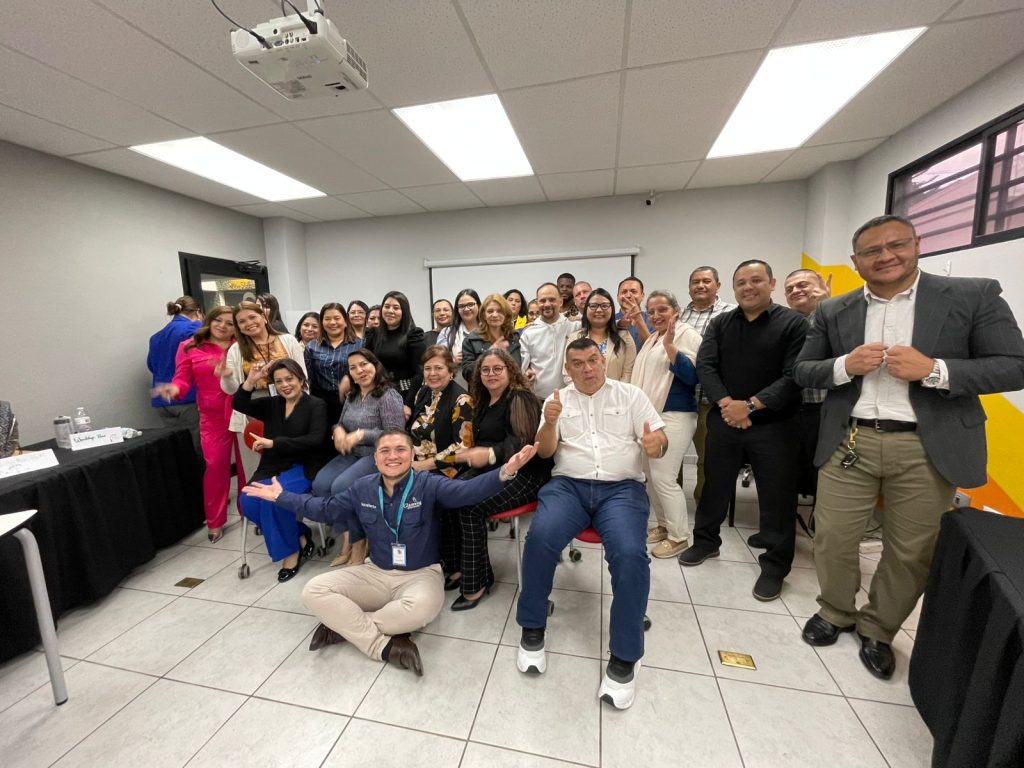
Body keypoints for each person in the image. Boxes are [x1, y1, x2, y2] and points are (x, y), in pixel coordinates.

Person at [793, 214, 1024, 680]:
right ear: (856, 261)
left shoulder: (972, 295)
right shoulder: (834, 310)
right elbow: (804, 369)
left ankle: (879, 628)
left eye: (896, 245)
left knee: (910, 550)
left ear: (917, 244)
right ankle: (835, 610)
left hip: (926, 444)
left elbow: (1014, 365)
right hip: (850, 439)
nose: (885, 256)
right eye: (872, 251)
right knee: (833, 537)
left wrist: (936, 370)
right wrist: (843, 365)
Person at [243, 430, 539, 674]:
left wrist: (505, 471)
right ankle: (383, 646)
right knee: (313, 591)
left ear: (412, 456)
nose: (392, 456)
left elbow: (467, 492)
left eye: (400, 450)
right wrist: (282, 497)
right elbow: (325, 509)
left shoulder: (428, 484)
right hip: (375, 572)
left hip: (420, 576)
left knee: (424, 608)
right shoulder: (362, 488)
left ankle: (344, 627)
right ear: (375, 458)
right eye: (384, 451)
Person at [515, 338, 667, 710]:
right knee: (540, 537)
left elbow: (658, 438)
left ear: (602, 361)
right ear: (567, 369)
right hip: (569, 486)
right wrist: (550, 423)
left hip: (621, 489)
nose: (587, 369)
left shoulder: (630, 395)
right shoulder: (557, 401)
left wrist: (657, 445)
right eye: (578, 363)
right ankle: (532, 626)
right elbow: (546, 451)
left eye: (592, 360)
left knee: (630, 554)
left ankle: (625, 655)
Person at [678, 260, 807, 604]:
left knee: (777, 497)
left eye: (756, 280)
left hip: (775, 424)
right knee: (713, 485)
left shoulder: (793, 323)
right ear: (733, 288)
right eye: (742, 282)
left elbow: (794, 375)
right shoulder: (721, 323)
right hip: (725, 419)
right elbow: (706, 365)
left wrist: (750, 406)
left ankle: (775, 566)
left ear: (772, 283)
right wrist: (727, 405)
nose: (748, 287)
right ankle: (706, 542)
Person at [438, 350, 550, 611]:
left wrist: (488, 454)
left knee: (469, 507)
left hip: (525, 473)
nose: (491, 374)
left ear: (510, 370)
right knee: (448, 496)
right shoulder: (484, 400)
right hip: (492, 469)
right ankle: (458, 567)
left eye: (497, 368)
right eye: (485, 370)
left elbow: (521, 443)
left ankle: (477, 582)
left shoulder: (520, 398)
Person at [233, 359, 327, 581]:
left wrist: (274, 443)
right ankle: (300, 535)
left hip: (303, 465)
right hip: (272, 465)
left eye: (289, 379)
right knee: (248, 501)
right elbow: (239, 404)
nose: (285, 385)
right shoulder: (272, 404)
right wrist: (251, 380)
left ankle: (291, 553)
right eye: (279, 381)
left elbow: (315, 440)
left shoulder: (316, 405)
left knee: (273, 501)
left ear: (300, 379)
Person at [154, 306, 239, 542]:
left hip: (243, 411)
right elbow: (182, 380)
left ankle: (250, 512)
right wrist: (175, 389)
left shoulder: (240, 346)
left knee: (247, 466)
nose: (223, 326)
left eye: (230, 323)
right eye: (218, 320)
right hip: (212, 416)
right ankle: (215, 521)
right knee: (215, 466)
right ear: (209, 320)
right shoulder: (190, 346)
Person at [313, 349, 406, 564]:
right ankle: (347, 535)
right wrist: (337, 430)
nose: (359, 371)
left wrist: (361, 434)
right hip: (351, 454)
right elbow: (341, 423)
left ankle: (358, 542)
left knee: (341, 487)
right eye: (353, 368)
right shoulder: (352, 396)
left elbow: (395, 435)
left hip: (378, 455)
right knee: (321, 485)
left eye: (364, 364)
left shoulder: (388, 395)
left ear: (375, 365)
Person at [632, 290, 702, 558]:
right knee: (650, 475)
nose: (656, 315)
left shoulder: (686, 334)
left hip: (675, 414)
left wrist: (671, 346)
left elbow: (692, 376)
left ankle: (679, 536)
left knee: (664, 477)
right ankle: (663, 525)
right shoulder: (653, 338)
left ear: (676, 311)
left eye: (662, 309)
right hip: (651, 415)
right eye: (651, 311)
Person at [679, 267, 736, 504]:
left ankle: (705, 506)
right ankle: (671, 506)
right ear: (689, 287)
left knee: (708, 458)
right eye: (695, 282)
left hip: (711, 401)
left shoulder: (731, 313)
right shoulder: (679, 315)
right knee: (673, 457)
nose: (700, 285)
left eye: (706, 281)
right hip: (681, 399)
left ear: (718, 285)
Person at [219, 300, 306, 437]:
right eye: (242, 321)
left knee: (292, 445)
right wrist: (227, 376)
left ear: (264, 318)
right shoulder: (235, 350)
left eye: (252, 317)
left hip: (290, 400)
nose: (248, 323)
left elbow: (303, 376)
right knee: (260, 447)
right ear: (238, 327)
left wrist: (303, 406)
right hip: (256, 406)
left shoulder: (288, 340)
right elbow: (231, 390)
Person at [783, 269, 830, 508]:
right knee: (788, 472)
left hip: (823, 409)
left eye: (802, 285)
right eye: (789, 289)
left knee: (822, 472)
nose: (795, 291)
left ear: (820, 286)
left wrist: (824, 306)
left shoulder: (833, 317)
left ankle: (821, 524)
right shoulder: (786, 322)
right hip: (790, 409)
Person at [408, 346, 474, 477]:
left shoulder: (462, 401)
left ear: (450, 371)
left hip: (444, 471)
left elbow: (463, 448)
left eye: (438, 368)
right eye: (427, 368)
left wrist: (423, 466)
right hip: (414, 463)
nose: (432, 373)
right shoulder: (423, 391)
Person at [148, 296, 203, 447]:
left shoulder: (156, 337)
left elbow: (151, 365)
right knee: (198, 447)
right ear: (197, 312)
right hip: (188, 399)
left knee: (178, 448)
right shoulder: (194, 330)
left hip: (162, 401)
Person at [304, 302, 363, 429]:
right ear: (322, 322)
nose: (332, 322)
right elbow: (310, 378)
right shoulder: (312, 347)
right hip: (322, 402)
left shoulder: (360, 344)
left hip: (353, 399)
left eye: (337, 318)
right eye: (327, 319)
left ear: (346, 321)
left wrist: (350, 380)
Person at [363, 291, 426, 406]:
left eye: (396, 308)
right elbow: (366, 364)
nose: (390, 311)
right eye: (387, 306)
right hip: (377, 393)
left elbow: (420, 373)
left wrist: (408, 403)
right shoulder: (373, 334)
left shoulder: (413, 335)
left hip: (404, 394)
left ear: (404, 311)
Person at [520, 282, 580, 399]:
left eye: (552, 300)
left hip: (570, 398)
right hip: (538, 399)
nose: (547, 304)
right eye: (542, 301)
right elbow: (524, 366)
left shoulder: (574, 327)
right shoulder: (528, 333)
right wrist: (526, 372)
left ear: (560, 301)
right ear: (537, 303)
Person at [566, 288, 636, 383]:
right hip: (582, 391)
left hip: (617, 391)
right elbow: (568, 375)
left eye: (604, 306)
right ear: (586, 309)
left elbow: (628, 373)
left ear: (612, 309)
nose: (599, 310)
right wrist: (587, 389)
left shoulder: (624, 337)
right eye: (593, 306)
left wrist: (613, 391)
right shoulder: (574, 338)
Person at [461, 293, 522, 381]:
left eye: (500, 311)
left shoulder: (514, 337)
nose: (495, 315)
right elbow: (467, 374)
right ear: (484, 315)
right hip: (482, 389)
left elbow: (519, 367)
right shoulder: (471, 340)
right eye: (490, 311)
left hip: (512, 388)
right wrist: (489, 353)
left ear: (506, 314)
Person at [438, 288, 481, 379]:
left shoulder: (489, 330)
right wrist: (453, 361)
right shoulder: (447, 332)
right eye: (461, 306)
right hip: (457, 383)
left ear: (479, 305)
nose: (466, 309)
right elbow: (438, 362)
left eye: (470, 304)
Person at [615, 277, 654, 350]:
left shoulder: (653, 320)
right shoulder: (609, 320)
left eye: (633, 291)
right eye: (624, 292)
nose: (628, 295)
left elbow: (654, 349)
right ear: (617, 297)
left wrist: (638, 318)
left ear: (642, 296)